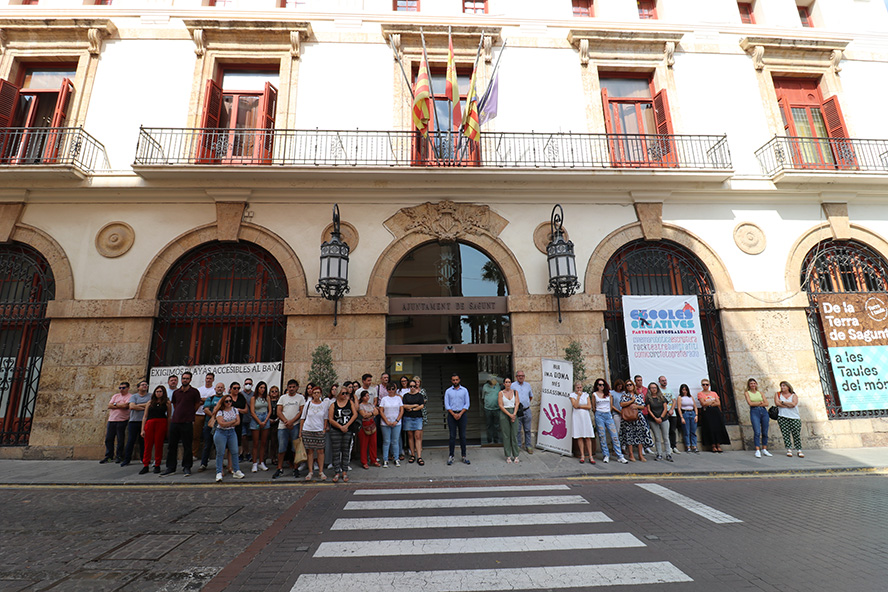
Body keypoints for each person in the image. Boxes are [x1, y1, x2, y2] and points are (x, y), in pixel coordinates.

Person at [162, 372, 202, 476]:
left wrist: (190, 412)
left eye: (187, 378)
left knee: (187, 445)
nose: (185, 380)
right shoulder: (176, 392)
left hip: (187, 421)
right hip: (175, 421)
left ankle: (187, 467)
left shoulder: (194, 392)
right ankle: (171, 467)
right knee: (172, 445)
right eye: (183, 378)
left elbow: (197, 404)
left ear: (190, 380)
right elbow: (175, 403)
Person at [273, 379, 305, 479]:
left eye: (293, 387)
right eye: (290, 387)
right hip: (283, 426)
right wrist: (286, 421)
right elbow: (279, 411)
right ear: (287, 387)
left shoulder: (300, 398)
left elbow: (301, 412)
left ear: (297, 387)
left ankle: (295, 468)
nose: (291, 389)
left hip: (295, 425)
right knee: (282, 447)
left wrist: (292, 421)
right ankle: (279, 468)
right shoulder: (283, 398)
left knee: (295, 448)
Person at [592, 378, 627, 464]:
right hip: (599, 414)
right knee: (602, 435)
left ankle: (620, 456)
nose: (602, 386)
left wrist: (608, 411)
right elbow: (593, 407)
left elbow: (611, 406)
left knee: (614, 435)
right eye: (600, 385)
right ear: (597, 386)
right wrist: (598, 413)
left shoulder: (608, 394)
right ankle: (606, 455)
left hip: (608, 414)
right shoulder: (594, 395)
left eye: (603, 384)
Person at [212, 394, 245, 482]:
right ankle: (219, 472)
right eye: (226, 401)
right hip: (221, 432)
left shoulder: (234, 410)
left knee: (234, 451)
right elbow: (221, 423)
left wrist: (228, 423)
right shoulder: (220, 412)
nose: (229, 403)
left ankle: (236, 470)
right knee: (220, 452)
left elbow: (238, 422)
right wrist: (232, 421)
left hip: (231, 432)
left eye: (230, 401)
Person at [139, 385, 171, 474]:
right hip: (150, 423)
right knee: (148, 445)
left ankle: (157, 464)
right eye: (157, 391)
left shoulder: (167, 403)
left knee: (158, 445)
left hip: (161, 423)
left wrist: (168, 429)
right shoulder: (150, 403)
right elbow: (145, 416)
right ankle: (146, 464)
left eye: (160, 391)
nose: (158, 393)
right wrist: (142, 429)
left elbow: (169, 416)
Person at [328, 385, 357, 482]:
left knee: (346, 450)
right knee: (336, 451)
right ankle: (336, 471)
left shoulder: (350, 403)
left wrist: (346, 426)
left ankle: (344, 471)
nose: (345, 395)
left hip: (347, 430)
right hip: (336, 430)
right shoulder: (333, 405)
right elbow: (331, 419)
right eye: (343, 393)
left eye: (346, 393)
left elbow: (354, 414)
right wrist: (340, 427)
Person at [300, 386, 329, 481]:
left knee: (320, 451)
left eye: (318, 392)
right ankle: (310, 471)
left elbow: (325, 418)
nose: (316, 394)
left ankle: (321, 471)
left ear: (320, 394)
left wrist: (324, 429)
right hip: (308, 429)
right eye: (314, 393)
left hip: (319, 429)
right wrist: (301, 431)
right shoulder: (308, 404)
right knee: (310, 451)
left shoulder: (324, 405)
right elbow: (303, 417)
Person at [619, 381, 652, 462]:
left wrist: (636, 406)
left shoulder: (639, 395)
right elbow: (622, 404)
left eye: (630, 385)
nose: (629, 386)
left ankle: (640, 454)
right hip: (628, 418)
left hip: (638, 418)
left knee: (639, 436)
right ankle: (631, 454)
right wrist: (631, 401)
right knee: (629, 436)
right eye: (627, 385)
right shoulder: (624, 395)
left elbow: (643, 406)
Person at [121, 380, 150, 467]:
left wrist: (138, 406)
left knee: (143, 441)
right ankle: (127, 459)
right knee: (130, 441)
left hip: (144, 421)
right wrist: (145, 406)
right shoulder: (134, 396)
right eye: (142, 385)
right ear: (138, 387)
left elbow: (151, 405)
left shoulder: (151, 396)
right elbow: (132, 406)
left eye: (146, 385)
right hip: (134, 421)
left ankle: (143, 458)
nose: (144, 386)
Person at [697, 379, 731, 453]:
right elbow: (703, 403)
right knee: (710, 428)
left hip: (715, 412)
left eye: (707, 384)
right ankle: (713, 445)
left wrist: (709, 402)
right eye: (703, 384)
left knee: (717, 427)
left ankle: (718, 445)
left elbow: (718, 403)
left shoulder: (714, 393)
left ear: (709, 385)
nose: (705, 386)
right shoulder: (700, 393)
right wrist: (712, 401)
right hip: (707, 412)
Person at [101, 381, 131, 464]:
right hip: (112, 419)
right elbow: (109, 406)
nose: (121, 389)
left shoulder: (130, 396)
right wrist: (118, 404)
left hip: (122, 420)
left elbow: (125, 406)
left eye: (123, 388)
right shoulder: (115, 396)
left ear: (128, 388)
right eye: (120, 388)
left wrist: (115, 405)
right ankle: (109, 456)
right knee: (109, 439)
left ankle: (119, 456)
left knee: (120, 439)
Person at [444, 373, 471, 465]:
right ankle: (451, 456)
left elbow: (467, 404)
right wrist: (453, 414)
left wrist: (460, 413)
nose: (455, 381)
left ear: (459, 380)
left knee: (462, 436)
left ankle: (464, 456)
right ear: (451, 381)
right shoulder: (448, 391)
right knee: (452, 436)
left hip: (462, 414)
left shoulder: (464, 390)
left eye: (456, 380)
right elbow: (447, 404)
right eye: (453, 380)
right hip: (452, 415)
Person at [199, 382, 225, 471]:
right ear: (215, 389)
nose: (220, 389)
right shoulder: (210, 399)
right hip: (209, 425)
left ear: (224, 389)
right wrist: (215, 417)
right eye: (218, 387)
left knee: (220, 446)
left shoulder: (226, 399)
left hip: (221, 426)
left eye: (221, 387)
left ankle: (220, 464)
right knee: (207, 445)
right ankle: (203, 464)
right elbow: (206, 409)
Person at [745, 378, 772, 458]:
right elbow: (750, 403)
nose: (753, 385)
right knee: (757, 431)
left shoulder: (760, 393)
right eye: (751, 384)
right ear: (749, 385)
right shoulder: (747, 393)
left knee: (765, 431)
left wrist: (757, 403)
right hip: (754, 412)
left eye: (754, 383)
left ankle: (764, 448)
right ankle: (757, 449)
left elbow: (766, 403)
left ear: (756, 384)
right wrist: (760, 403)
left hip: (763, 411)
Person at [645, 382, 673, 462]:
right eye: (652, 388)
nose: (653, 389)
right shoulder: (648, 398)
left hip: (663, 419)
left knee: (666, 437)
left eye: (655, 387)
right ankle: (659, 454)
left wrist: (661, 417)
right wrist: (655, 418)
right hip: (653, 419)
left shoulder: (662, 397)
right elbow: (649, 409)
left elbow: (665, 408)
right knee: (657, 437)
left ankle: (668, 454)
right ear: (649, 389)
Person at [570, 381, 596, 464]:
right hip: (577, 417)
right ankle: (582, 455)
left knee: (588, 436)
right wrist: (578, 397)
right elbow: (575, 405)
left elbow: (589, 406)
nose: (579, 389)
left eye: (580, 387)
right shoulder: (572, 395)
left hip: (585, 417)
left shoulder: (586, 395)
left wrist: (580, 406)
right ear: (575, 388)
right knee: (580, 436)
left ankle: (590, 456)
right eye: (577, 388)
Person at [775, 381, 803, 457]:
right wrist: (788, 405)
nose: (782, 387)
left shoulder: (793, 395)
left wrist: (783, 402)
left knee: (796, 433)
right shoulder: (778, 394)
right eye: (781, 386)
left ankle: (799, 449)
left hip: (794, 417)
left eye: (784, 386)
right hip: (782, 416)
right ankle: (789, 449)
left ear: (788, 387)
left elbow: (794, 404)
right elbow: (777, 403)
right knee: (785, 433)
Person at [379, 383, 404, 468]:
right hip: (385, 424)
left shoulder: (398, 398)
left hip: (396, 423)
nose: (391, 391)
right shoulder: (384, 399)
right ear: (387, 390)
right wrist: (386, 421)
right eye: (389, 389)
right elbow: (381, 411)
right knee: (386, 441)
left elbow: (401, 410)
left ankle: (396, 458)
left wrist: (397, 420)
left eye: (393, 389)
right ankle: (385, 459)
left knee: (395, 441)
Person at [249, 381, 271, 472]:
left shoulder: (267, 398)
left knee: (263, 442)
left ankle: (261, 462)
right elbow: (252, 411)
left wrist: (265, 420)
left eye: (264, 388)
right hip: (256, 419)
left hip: (265, 417)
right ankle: (254, 463)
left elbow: (269, 410)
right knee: (255, 443)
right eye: (261, 387)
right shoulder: (253, 398)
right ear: (257, 388)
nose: (262, 389)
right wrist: (259, 422)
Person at [402, 379, 425, 465]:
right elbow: (404, 405)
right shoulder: (405, 396)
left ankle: (419, 456)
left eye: (414, 386)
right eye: (410, 386)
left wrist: (412, 409)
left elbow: (421, 406)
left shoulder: (420, 395)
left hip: (418, 417)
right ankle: (412, 454)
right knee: (410, 436)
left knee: (418, 436)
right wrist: (415, 405)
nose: (412, 388)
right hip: (408, 418)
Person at [498, 377, 521, 463]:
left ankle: (516, 455)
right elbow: (500, 405)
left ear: (511, 383)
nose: (508, 384)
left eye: (509, 382)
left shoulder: (515, 392)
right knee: (506, 435)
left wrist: (514, 414)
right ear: (504, 384)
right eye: (506, 382)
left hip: (513, 412)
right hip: (505, 413)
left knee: (514, 435)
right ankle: (508, 455)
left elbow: (517, 403)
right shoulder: (501, 393)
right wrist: (509, 415)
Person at [357, 390, 380, 469]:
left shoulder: (371, 404)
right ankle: (364, 461)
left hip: (372, 423)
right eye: (365, 396)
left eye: (368, 395)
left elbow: (377, 412)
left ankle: (373, 459)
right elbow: (364, 415)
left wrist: (370, 414)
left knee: (373, 443)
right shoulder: (360, 406)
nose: (367, 397)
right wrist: (372, 413)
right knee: (364, 444)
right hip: (364, 425)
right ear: (362, 397)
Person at [193, 372, 214, 459]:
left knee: (207, 436)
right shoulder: (199, 389)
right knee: (196, 435)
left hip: (208, 415)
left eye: (210, 378)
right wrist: (205, 400)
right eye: (207, 378)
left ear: (213, 380)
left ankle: (206, 455)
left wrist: (203, 400)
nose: (208, 380)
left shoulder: (214, 390)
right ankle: (194, 454)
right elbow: (196, 400)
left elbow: (211, 401)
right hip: (198, 414)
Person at [513, 370, 534, 454]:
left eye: (522, 376)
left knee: (527, 429)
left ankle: (528, 445)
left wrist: (526, 404)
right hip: (517, 411)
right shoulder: (512, 386)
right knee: (517, 430)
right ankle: (518, 445)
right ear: (516, 377)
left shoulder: (528, 385)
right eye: (519, 376)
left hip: (526, 410)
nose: (520, 377)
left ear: (524, 377)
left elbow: (531, 396)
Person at [658, 375, 680, 455]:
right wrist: (666, 411)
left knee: (672, 430)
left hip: (672, 413)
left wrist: (671, 409)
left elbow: (674, 400)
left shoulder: (670, 390)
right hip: (664, 413)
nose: (664, 382)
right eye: (662, 380)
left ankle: (674, 446)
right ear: (659, 382)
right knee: (665, 431)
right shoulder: (658, 390)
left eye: (665, 380)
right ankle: (668, 447)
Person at [678, 383, 699, 453]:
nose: (684, 391)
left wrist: (696, 415)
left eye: (685, 390)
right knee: (686, 431)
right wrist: (681, 417)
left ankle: (694, 445)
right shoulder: (680, 397)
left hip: (692, 413)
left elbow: (695, 406)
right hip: (685, 413)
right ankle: (688, 446)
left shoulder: (691, 397)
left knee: (693, 431)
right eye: (683, 390)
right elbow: (679, 408)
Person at [481, 377, 501, 444]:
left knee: (496, 425)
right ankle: (489, 440)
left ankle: (496, 440)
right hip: (488, 409)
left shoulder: (498, 385)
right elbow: (482, 398)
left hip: (497, 408)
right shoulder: (485, 386)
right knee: (489, 425)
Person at [609, 378, 626, 452]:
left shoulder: (624, 393)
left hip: (624, 414)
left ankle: (623, 447)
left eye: (621, 386)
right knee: (617, 431)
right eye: (618, 386)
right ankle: (615, 448)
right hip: (616, 413)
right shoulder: (612, 393)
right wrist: (619, 411)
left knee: (624, 431)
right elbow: (611, 404)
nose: (620, 387)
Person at [241, 378, 254, 462]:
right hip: (242, 419)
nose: (248, 385)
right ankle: (247, 453)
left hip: (252, 419)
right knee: (243, 436)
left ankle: (242, 453)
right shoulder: (240, 394)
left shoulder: (254, 394)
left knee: (250, 437)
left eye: (249, 383)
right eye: (246, 383)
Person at [267, 384, 281, 467]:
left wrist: (277, 419)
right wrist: (269, 419)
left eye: (276, 391)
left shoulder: (280, 400)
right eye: (272, 392)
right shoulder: (267, 400)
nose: (274, 393)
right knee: (266, 442)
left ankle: (274, 457)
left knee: (275, 441)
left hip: (277, 422)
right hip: (268, 421)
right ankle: (265, 458)